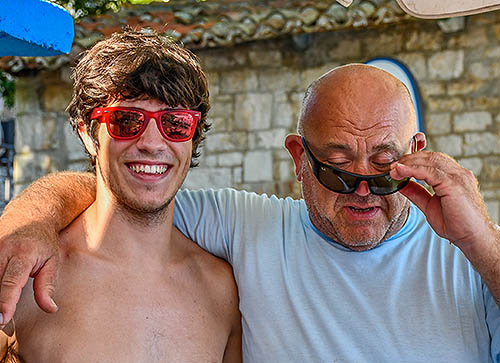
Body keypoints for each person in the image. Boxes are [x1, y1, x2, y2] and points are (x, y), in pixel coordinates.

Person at [1, 63, 499, 361]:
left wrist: (480, 241)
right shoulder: (249, 227)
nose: (363, 189)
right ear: (300, 159)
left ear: (417, 150)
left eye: (387, 167)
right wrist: (33, 223)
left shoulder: (470, 250)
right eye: (338, 169)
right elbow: (124, 187)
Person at [0, 29, 241, 362]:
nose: (153, 143)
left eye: (175, 123)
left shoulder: (222, 291)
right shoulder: (26, 280)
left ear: (193, 137)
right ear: (88, 133)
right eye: (127, 121)